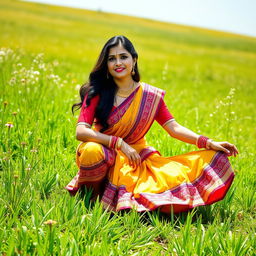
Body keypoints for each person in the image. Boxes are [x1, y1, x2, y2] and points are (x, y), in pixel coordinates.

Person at [65, 35, 238, 213]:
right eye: (111, 59)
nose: (118, 63)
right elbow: (81, 131)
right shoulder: (97, 92)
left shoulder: (150, 96)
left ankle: (124, 201)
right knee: (91, 150)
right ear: (106, 65)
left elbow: (174, 128)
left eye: (123, 57)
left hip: (136, 159)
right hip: (105, 153)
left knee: (169, 181)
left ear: (134, 60)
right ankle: (91, 198)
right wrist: (118, 143)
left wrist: (209, 143)